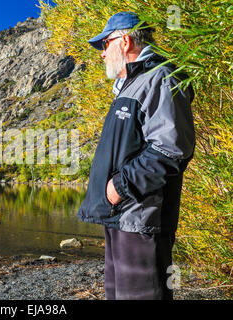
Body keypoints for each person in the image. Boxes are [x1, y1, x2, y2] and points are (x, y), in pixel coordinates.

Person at [77, 12, 196, 300]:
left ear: (125, 39)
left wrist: (118, 188)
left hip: (141, 220)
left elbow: (171, 149)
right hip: (121, 218)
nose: (102, 54)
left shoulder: (159, 78)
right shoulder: (132, 86)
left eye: (105, 44)